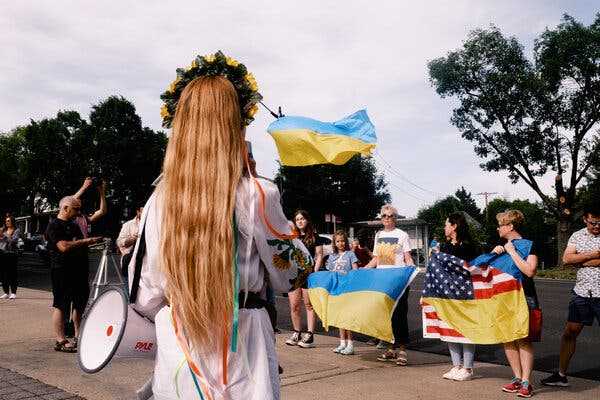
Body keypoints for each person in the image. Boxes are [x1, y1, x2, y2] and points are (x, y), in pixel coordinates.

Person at [129, 71, 310, 399]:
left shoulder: (158, 201)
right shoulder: (257, 194)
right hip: (246, 345)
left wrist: (187, 305)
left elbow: (142, 293)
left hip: (180, 343)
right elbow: (293, 275)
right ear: (233, 126)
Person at [541, 203, 600, 388]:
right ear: (585, 219)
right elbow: (567, 259)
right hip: (582, 293)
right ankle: (561, 375)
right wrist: (594, 254)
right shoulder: (577, 235)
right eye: (593, 223)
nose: (597, 226)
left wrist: (581, 259)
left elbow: (576, 259)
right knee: (569, 333)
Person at [492, 210, 540, 398]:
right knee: (508, 337)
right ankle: (517, 378)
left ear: (510, 226)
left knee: (523, 337)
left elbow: (530, 271)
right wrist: (493, 255)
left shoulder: (530, 245)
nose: (498, 228)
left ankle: (527, 382)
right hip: (504, 297)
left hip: (523, 296)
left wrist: (511, 252)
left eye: (501, 225)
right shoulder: (499, 246)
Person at [45, 196, 102, 352]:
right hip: (62, 269)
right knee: (61, 304)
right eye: (76, 209)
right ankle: (60, 340)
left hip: (79, 269)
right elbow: (63, 246)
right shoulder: (54, 225)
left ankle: (78, 335)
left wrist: (88, 243)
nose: (78, 212)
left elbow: (76, 243)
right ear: (65, 208)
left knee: (80, 302)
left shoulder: (74, 225)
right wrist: (85, 242)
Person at [364, 204, 414, 366]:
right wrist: (362, 270)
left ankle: (402, 350)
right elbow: (376, 259)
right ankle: (391, 349)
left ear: (395, 218)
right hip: (382, 281)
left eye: (390, 215)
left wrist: (411, 269)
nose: (387, 218)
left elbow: (407, 258)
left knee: (400, 315)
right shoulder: (378, 235)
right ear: (381, 218)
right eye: (384, 216)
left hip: (398, 281)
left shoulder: (402, 235)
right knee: (387, 317)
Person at [439, 213, 480, 381]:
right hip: (448, 293)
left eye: (446, 224)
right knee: (451, 329)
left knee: (466, 329)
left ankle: (468, 368)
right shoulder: (444, 246)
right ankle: (456, 365)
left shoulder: (469, 246)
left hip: (466, 293)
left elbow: (477, 268)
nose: (444, 227)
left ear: (454, 226)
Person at [285, 210, 325, 348]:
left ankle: (310, 334)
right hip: (294, 275)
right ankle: (297, 332)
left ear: (307, 220)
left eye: (302, 218)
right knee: (294, 305)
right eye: (297, 219)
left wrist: (315, 270)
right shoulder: (293, 237)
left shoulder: (314, 237)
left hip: (309, 274)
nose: (300, 221)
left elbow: (319, 254)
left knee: (309, 305)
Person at [326, 230, 358, 355]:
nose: (341, 243)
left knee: (347, 317)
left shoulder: (350, 254)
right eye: (338, 241)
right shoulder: (331, 257)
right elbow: (329, 272)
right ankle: (342, 343)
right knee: (339, 317)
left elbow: (355, 270)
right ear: (334, 243)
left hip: (348, 289)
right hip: (336, 289)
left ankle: (350, 344)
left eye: (343, 241)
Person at [116, 205, 143, 276]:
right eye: (143, 211)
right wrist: (136, 238)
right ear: (138, 212)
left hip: (147, 266)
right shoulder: (128, 225)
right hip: (130, 263)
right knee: (128, 286)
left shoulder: (154, 225)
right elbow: (120, 242)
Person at [0, 215, 21, 299]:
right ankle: (6, 292)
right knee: (3, 273)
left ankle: (13, 292)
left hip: (12, 254)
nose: (6, 222)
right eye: (6, 221)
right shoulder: (3, 230)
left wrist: (3, 236)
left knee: (12, 273)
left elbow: (13, 241)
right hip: (3, 253)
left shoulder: (16, 230)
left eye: (8, 221)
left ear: (12, 221)